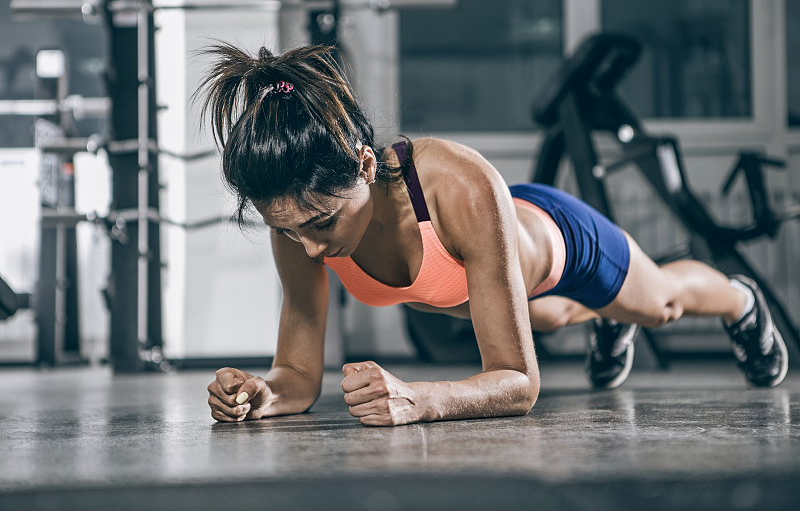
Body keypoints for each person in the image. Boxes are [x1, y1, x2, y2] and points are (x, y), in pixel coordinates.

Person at [200, 44, 788, 427]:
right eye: (288, 229)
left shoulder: (458, 183)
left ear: (364, 165)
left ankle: (740, 299)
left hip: (558, 242)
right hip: (493, 281)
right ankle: (605, 318)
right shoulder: (299, 217)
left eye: (323, 223)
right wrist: (264, 391)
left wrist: (421, 398)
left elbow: (519, 383)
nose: (311, 249)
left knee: (659, 304)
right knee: (549, 319)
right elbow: (299, 375)